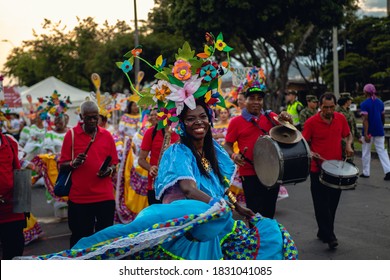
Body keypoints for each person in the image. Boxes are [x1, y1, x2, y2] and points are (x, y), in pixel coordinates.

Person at [58, 100, 119, 247]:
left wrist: (108, 170)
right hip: (80, 199)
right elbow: (62, 166)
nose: (92, 121)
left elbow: (114, 164)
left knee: (105, 239)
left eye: (95, 117)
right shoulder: (71, 135)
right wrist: (73, 163)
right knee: (80, 239)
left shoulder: (107, 135)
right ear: (81, 116)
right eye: (88, 118)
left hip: (104, 197)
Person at [224, 86, 291, 219]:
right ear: (245, 101)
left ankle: (266, 238)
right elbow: (227, 145)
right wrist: (233, 155)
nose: (256, 102)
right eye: (252, 98)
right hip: (249, 172)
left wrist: (288, 119)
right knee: (254, 212)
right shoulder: (236, 122)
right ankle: (256, 238)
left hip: (272, 170)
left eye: (259, 99)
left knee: (269, 210)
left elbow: (289, 132)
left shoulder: (271, 117)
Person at [302, 92, 353, 249]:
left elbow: (348, 134)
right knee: (321, 204)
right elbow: (303, 143)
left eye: (332, 107)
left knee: (332, 204)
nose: (329, 111)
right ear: (320, 106)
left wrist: (349, 144)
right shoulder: (311, 122)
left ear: (335, 106)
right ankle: (330, 236)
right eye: (325, 107)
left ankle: (323, 230)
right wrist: (310, 152)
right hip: (317, 169)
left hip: (337, 168)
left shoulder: (341, 118)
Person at [0, 115, 26, 259]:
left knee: (15, 252)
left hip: (12, 213)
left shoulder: (10, 142)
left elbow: (18, 173)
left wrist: (23, 212)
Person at [138, 118, 180, 205]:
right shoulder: (151, 132)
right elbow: (141, 160)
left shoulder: (182, 132)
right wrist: (151, 168)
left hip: (178, 186)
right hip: (155, 187)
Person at [359, 84, 390, 180]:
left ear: (365, 92)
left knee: (366, 152)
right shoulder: (380, 102)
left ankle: (366, 172)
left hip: (369, 132)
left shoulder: (364, 104)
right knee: (382, 151)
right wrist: (381, 126)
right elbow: (383, 117)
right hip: (379, 131)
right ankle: (388, 171)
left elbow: (365, 120)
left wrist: (366, 134)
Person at [336, 92, 361, 164]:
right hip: (342, 141)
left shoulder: (349, 112)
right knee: (344, 161)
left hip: (350, 140)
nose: (351, 101)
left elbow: (354, 125)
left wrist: (358, 136)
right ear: (346, 101)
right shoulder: (338, 112)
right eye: (349, 100)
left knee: (350, 159)